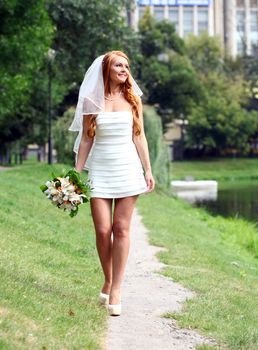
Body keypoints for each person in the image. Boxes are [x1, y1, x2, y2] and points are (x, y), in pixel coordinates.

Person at [69, 51, 155, 316]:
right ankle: (108, 277)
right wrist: (75, 174)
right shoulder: (91, 99)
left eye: (127, 66)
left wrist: (148, 170)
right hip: (101, 169)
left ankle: (116, 289)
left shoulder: (133, 99)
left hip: (128, 168)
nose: (124, 69)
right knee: (102, 230)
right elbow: (86, 139)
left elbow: (139, 137)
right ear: (105, 68)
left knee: (121, 228)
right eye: (119, 65)